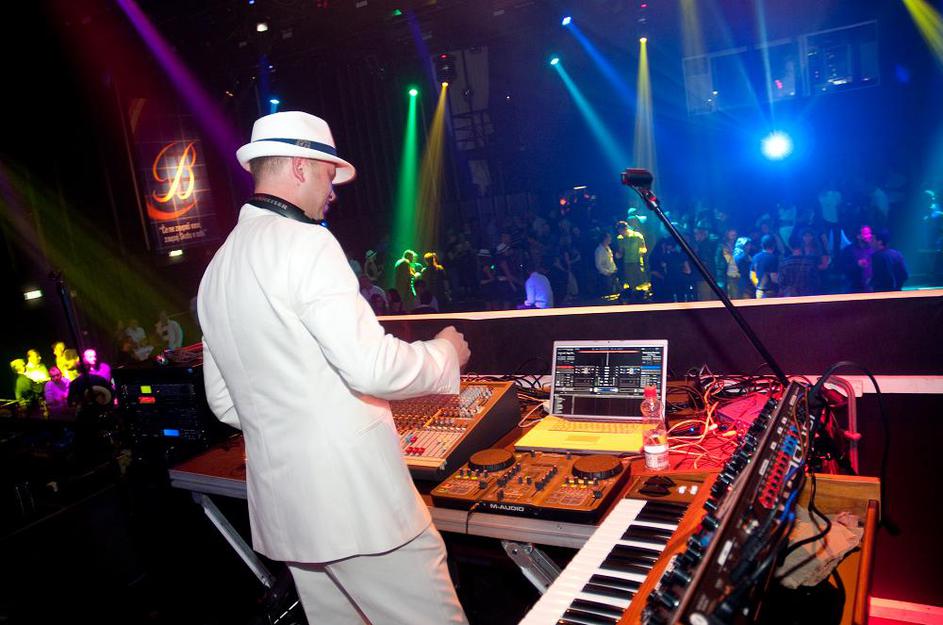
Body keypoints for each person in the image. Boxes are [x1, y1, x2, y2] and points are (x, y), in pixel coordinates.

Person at [197, 111, 470, 625]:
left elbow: (225, 403)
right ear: (300, 167)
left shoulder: (217, 268)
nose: (333, 192)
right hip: (359, 508)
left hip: (291, 515)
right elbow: (372, 367)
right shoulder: (307, 243)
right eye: (328, 175)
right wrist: (443, 353)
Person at [839, 224, 874, 293]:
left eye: (870, 233)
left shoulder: (873, 249)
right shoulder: (848, 250)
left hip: (869, 289)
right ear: (858, 236)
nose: (869, 236)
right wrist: (857, 265)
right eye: (866, 234)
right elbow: (842, 268)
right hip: (853, 288)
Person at [750, 234, 780, 298]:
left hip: (759, 292)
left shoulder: (755, 257)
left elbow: (752, 276)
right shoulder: (773, 258)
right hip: (771, 292)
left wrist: (758, 286)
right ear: (774, 245)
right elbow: (774, 278)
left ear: (762, 245)